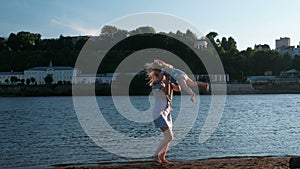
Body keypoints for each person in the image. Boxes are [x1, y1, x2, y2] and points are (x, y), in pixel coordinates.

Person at [145, 64, 180, 164]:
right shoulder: (156, 84)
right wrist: (168, 79)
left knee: (168, 137)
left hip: (167, 113)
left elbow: (178, 89)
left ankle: (162, 157)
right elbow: (167, 94)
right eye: (164, 74)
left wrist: (173, 80)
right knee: (170, 137)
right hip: (159, 113)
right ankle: (155, 155)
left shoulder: (165, 83)